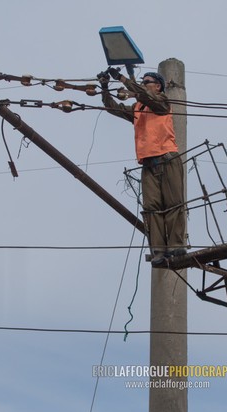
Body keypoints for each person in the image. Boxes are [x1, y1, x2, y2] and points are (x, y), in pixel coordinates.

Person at [98, 67, 186, 266]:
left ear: (158, 86)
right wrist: (104, 87)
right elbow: (113, 107)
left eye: (147, 81)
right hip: (149, 163)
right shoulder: (138, 108)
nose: (144, 84)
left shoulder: (162, 102)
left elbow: (145, 95)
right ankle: (158, 249)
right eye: (143, 81)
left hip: (167, 158)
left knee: (173, 203)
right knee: (151, 209)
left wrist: (121, 78)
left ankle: (175, 245)